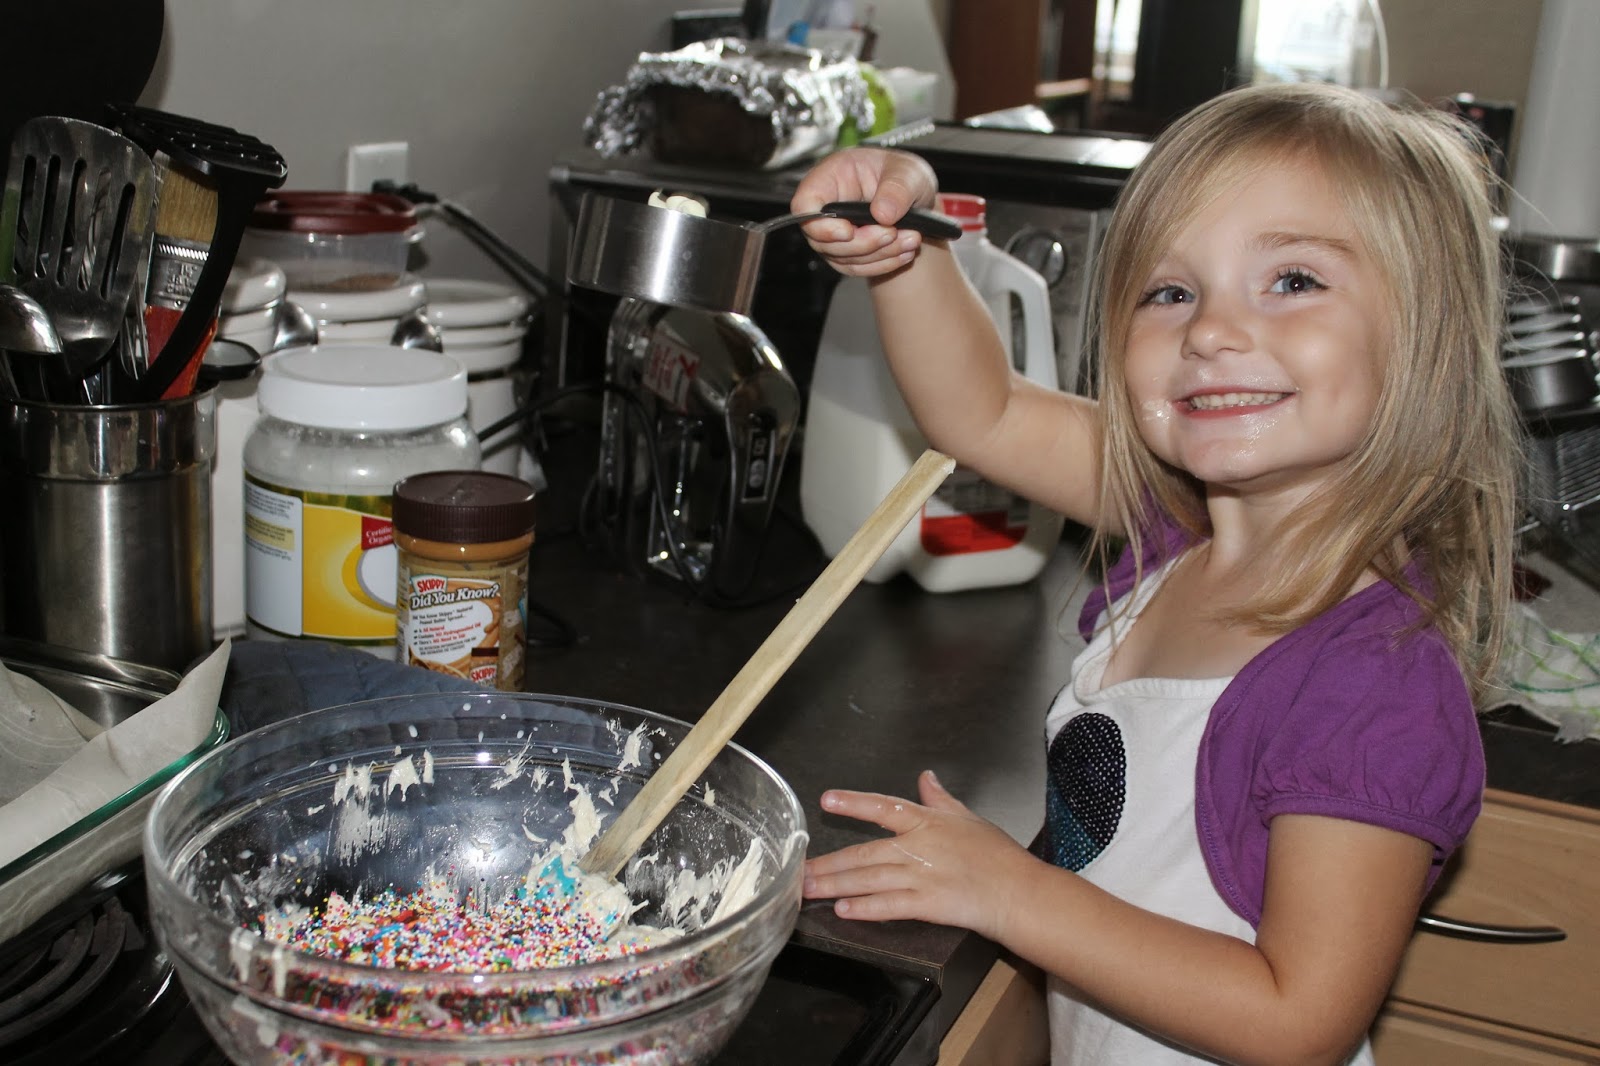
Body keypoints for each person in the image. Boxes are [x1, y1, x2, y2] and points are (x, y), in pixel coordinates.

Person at [789, 81, 1518, 1066]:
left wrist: (1007, 889)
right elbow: (984, 411)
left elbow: (1296, 1018)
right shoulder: (1178, 531)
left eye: (1292, 279)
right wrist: (909, 246)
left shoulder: (1370, 685)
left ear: (1422, 336)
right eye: (1170, 291)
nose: (1210, 330)